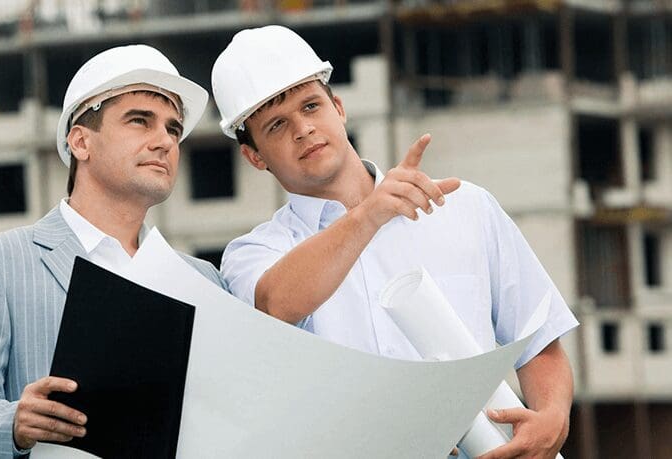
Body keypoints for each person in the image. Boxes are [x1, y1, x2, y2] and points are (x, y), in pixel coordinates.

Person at [212, 25, 578, 459]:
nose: (303, 129)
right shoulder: (253, 254)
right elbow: (275, 303)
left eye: (311, 106)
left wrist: (552, 417)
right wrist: (368, 214)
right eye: (276, 125)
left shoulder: (466, 208)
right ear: (254, 156)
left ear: (339, 108)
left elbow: (539, 340)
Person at [0, 44, 225, 457]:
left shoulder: (202, 281)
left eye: (173, 129)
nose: (164, 141)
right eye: (140, 121)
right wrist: (13, 424)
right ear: (80, 141)